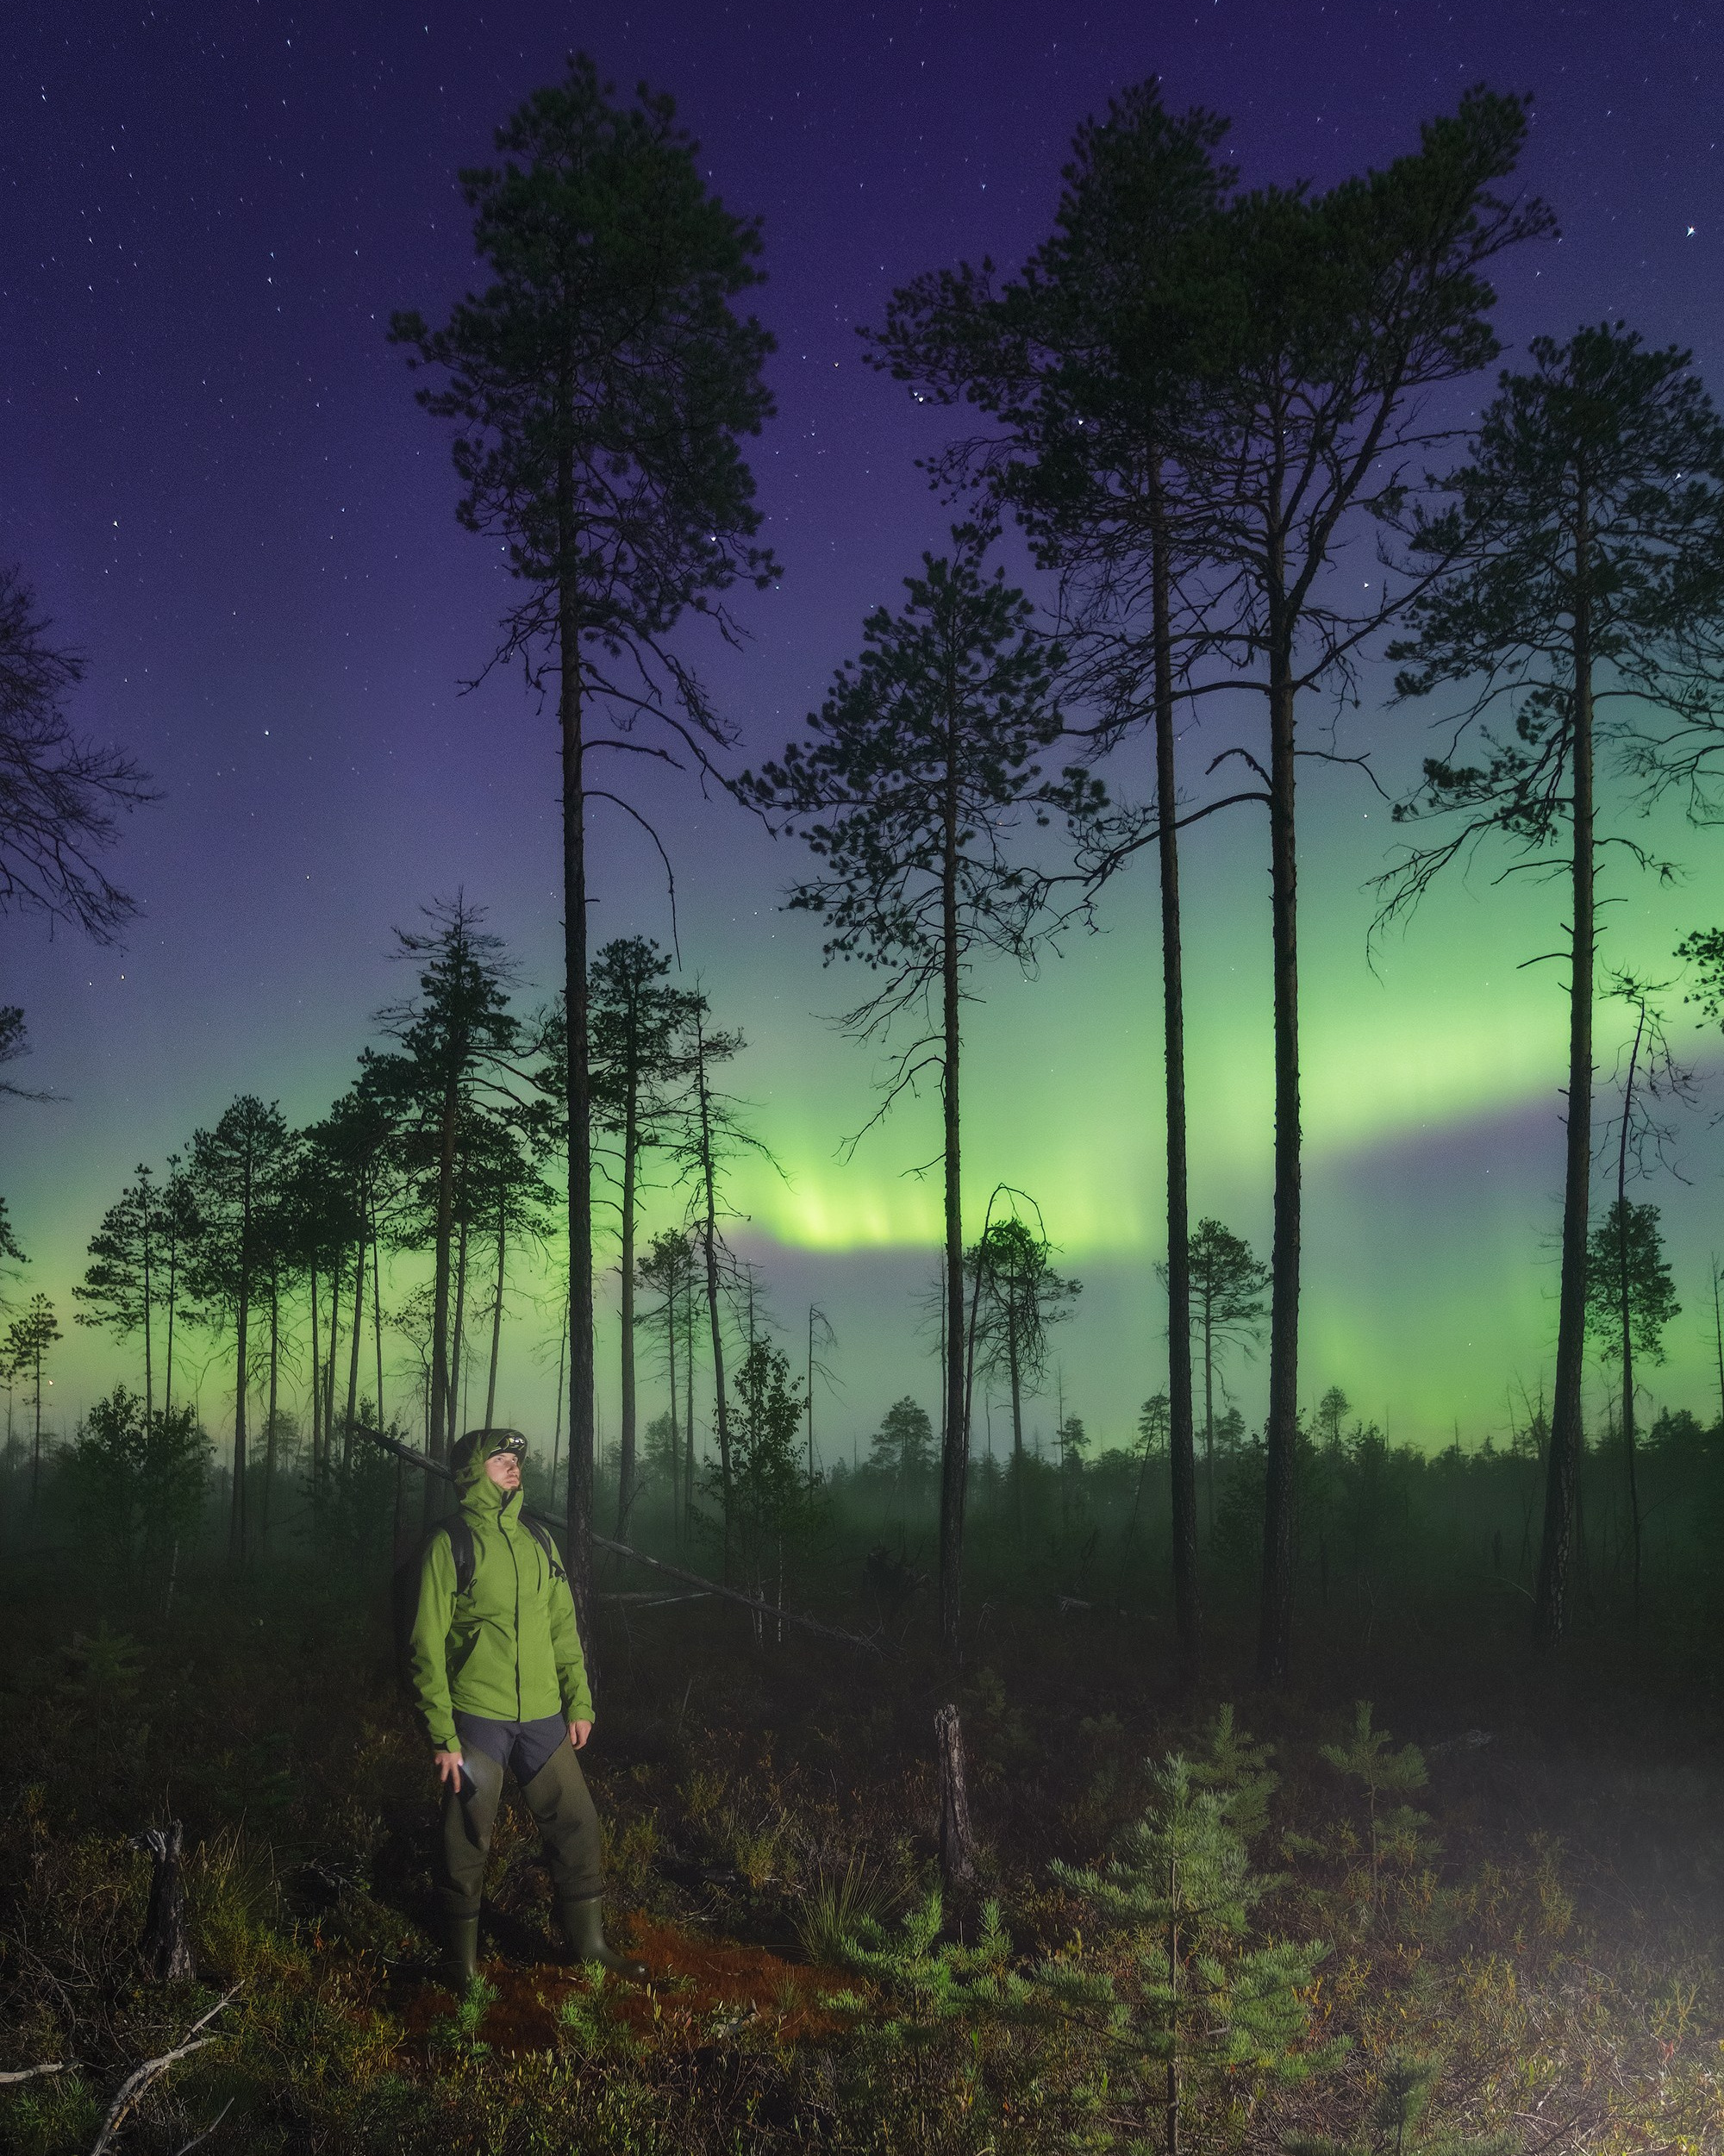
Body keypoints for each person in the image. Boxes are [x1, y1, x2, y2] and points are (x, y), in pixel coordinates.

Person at [407, 1425, 647, 1988]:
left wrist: (578, 1701)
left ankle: (589, 1947)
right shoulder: (450, 1543)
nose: (514, 1464)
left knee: (579, 1822)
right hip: (478, 1715)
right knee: (468, 1833)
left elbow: (563, 1624)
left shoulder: (538, 1537)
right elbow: (425, 1644)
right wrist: (442, 1734)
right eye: (500, 1457)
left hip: (542, 1714)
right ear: (471, 1470)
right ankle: (460, 1963)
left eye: (517, 1456)